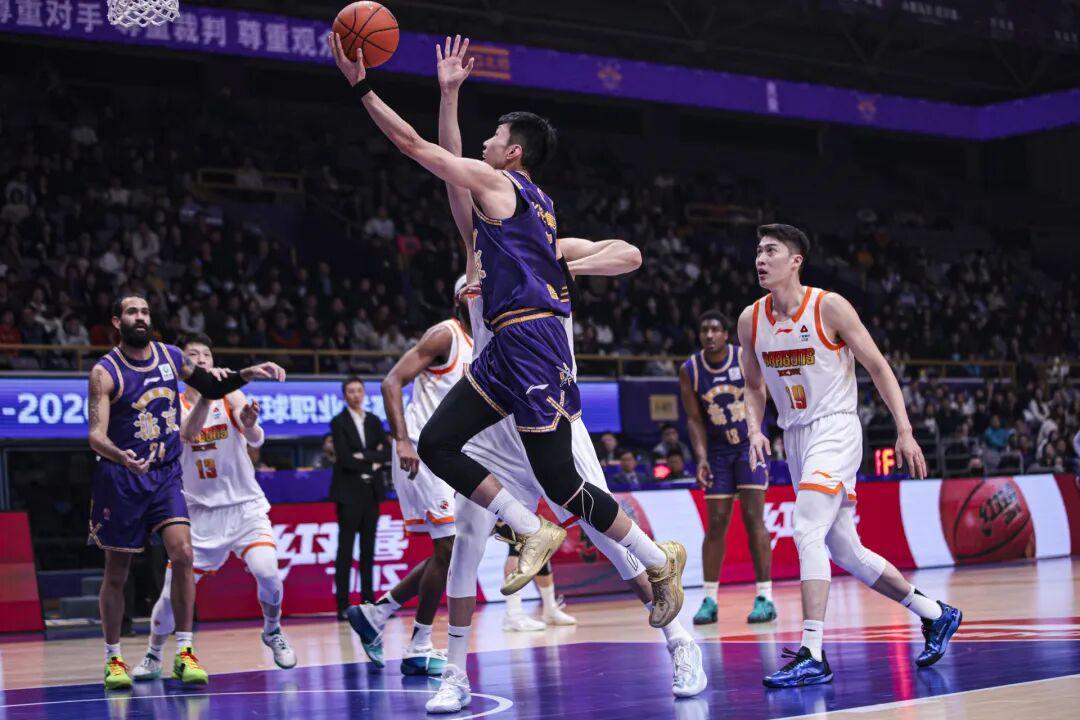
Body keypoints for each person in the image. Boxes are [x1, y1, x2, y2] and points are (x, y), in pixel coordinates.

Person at [354, 38, 699, 712]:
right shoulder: (478, 238)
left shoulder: (535, 233)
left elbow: (629, 253)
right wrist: (448, 94)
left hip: (544, 388)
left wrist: (566, 267)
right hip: (495, 401)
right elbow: (449, 165)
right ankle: (455, 674)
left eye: (494, 138)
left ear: (512, 154)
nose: (479, 152)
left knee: (599, 526)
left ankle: (679, 641)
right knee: (464, 546)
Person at [737, 224, 961, 688]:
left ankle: (812, 653)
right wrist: (755, 429)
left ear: (795, 260)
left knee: (805, 529)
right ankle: (935, 613)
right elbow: (754, 387)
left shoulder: (829, 306)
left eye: (771, 251)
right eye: (758, 251)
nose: (760, 259)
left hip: (835, 428)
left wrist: (904, 430)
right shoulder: (750, 320)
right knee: (845, 550)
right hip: (794, 437)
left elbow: (877, 365)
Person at [87, 295, 284, 690]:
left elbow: (211, 384)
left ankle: (184, 651)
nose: (140, 317)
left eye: (145, 312)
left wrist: (249, 372)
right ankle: (113, 658)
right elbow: (95, 435)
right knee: (117, 572)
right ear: (117, 321)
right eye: (132, 312)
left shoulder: (171, 356)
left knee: (183, 554)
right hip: (122, 477)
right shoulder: (104, 372)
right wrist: (121, 456)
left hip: (164, 476)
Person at [131, 334, 296, 681]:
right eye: (194, 354)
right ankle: (154, 654)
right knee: (169, 597)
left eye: (206, 353)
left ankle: (272, 630)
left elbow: (257, 438)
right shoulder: (170, 403)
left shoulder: (230, 393)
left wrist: (249, 422)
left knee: (268, 572)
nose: (202, 359)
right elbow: (188, 435)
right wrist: (209, 394)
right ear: (183, 367)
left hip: (244, 507)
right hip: (199, 514)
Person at [350, 276, 476, 677]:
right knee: (450, 546)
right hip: (421, 449)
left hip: (454, 456)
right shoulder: (445, 335)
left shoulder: (487, 344)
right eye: (476, 291)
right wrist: (401, 440)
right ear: (461, 299)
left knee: (452, 549)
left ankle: (376, 613)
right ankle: (418, 644)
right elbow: (392, 381)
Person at [679, 310, 775, 626]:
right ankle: (709, 599)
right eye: (704, 330)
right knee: (717, 523)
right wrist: (701, 458)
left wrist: (759, 434)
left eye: (715, 329)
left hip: (749, 446)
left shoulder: (743, 358)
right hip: (718, 452)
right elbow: (694, 419)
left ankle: (765, 597)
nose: (709, 335)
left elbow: (762, 394)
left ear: (725, 334)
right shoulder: (690, 369)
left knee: (753, 518)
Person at [330, 378, 389, 615]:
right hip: (348, 493)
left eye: (358, 390)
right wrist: (372, 461)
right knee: (345, 550)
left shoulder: (374, 420)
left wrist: (363, 456)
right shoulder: (339, 422)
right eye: (350, 391)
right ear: (345, 395)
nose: (355, 395)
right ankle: (343, 605)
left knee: (368, 549)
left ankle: (368, 602)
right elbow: (345, 458)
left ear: (364, 393)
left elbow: (386, 452)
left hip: (371, 493)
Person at [493, 521, 578, 631]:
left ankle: (550, 610)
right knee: (519, 546)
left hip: (519, 512)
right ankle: (513, 614)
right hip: (503, 513)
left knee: (540, 545)